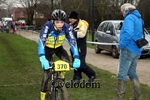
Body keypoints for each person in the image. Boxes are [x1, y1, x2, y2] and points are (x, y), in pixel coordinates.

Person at [38, 9, 81, 100]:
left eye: (62, 22)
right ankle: (42, 95)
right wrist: (42, 56)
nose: (60, 25)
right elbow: (41, 41)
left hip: (58, 48)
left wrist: (77, 57)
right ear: (53, 21)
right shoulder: (47, 26)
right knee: (46, 75)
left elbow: (73, 42)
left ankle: (60, 78)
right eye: (57, 22)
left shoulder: (66, 27)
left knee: (67, 61)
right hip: (47, 49)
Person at [116, 3, 142, 100]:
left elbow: (129, 33)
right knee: (132, 72)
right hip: (137, 49)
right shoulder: (139, 18)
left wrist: (121, 44)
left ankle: (119, 97)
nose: (122, 14)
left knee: (122, 74)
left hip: (128, 48)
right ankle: (138, 97)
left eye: (122, 12)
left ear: (125, 10)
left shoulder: (129, 18)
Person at [68, 11, 96, 83]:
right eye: (69, 18)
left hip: (81, 46)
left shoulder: (82, 24)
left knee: (81, 63)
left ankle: (92, 74)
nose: (70, 20)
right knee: (75, 62)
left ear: (75, 19)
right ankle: (77, 77)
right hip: (73, 46)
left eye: (71, 18)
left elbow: (82, 34)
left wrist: (72, 34)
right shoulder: (71, 25)